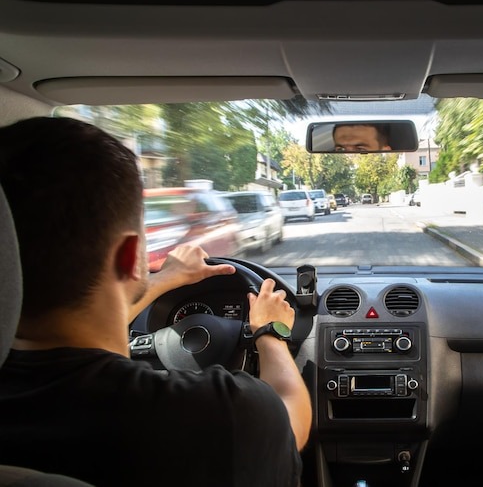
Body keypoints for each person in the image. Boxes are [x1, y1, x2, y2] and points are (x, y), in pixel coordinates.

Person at [0, 116, 312, 486]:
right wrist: (270, 331)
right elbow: (291, 416)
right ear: (132, 256)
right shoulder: (224, 417)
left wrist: (164, 280)